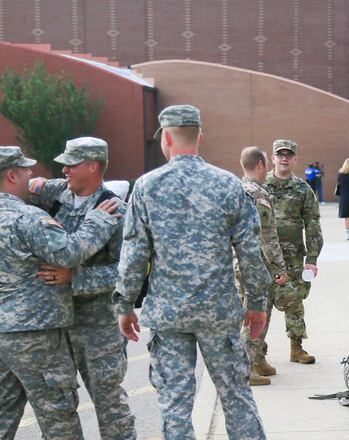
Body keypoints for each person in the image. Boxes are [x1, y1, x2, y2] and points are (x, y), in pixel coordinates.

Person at [0, 137, 137, 440]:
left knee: (109, 403)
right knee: (56, 407)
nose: (63, 169)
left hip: (94, 326)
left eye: (71, 163)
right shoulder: (55, 192)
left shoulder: (115, 210)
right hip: (49, 324)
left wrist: (76, 279)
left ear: (93, 166)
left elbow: (129, 273)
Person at [113, 105, 271, 439]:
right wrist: (257, 302)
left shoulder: (146, 187)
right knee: (236, 398)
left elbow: (134, 253)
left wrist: (125, 305)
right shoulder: (229, 185)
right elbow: (250, 252)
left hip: (169, 315)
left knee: (176, 406)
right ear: (200, 135)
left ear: (166, 138)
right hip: (218, 310)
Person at [266, 139, 324, 364]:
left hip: (293, 257)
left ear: (295, 159)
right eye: (279, 154)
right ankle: (258, 353)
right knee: (261, 303)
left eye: (288, 155)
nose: (284, 158)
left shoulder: (302, 189)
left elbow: (313, 224)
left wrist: (312, 258)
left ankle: (296, 347)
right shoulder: (261, 186)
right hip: (265, 257)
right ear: (272, 158)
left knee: (295, 300)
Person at [238, 146, 288, 386]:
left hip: (240, 262)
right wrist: (280, 267)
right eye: (266, 164)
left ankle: (257, 359)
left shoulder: (235, 189)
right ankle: (246, 368)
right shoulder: (257, 194)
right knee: (255, 314)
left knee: (255, 312)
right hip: (256, 264)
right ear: (260, 165)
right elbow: (267, 236)